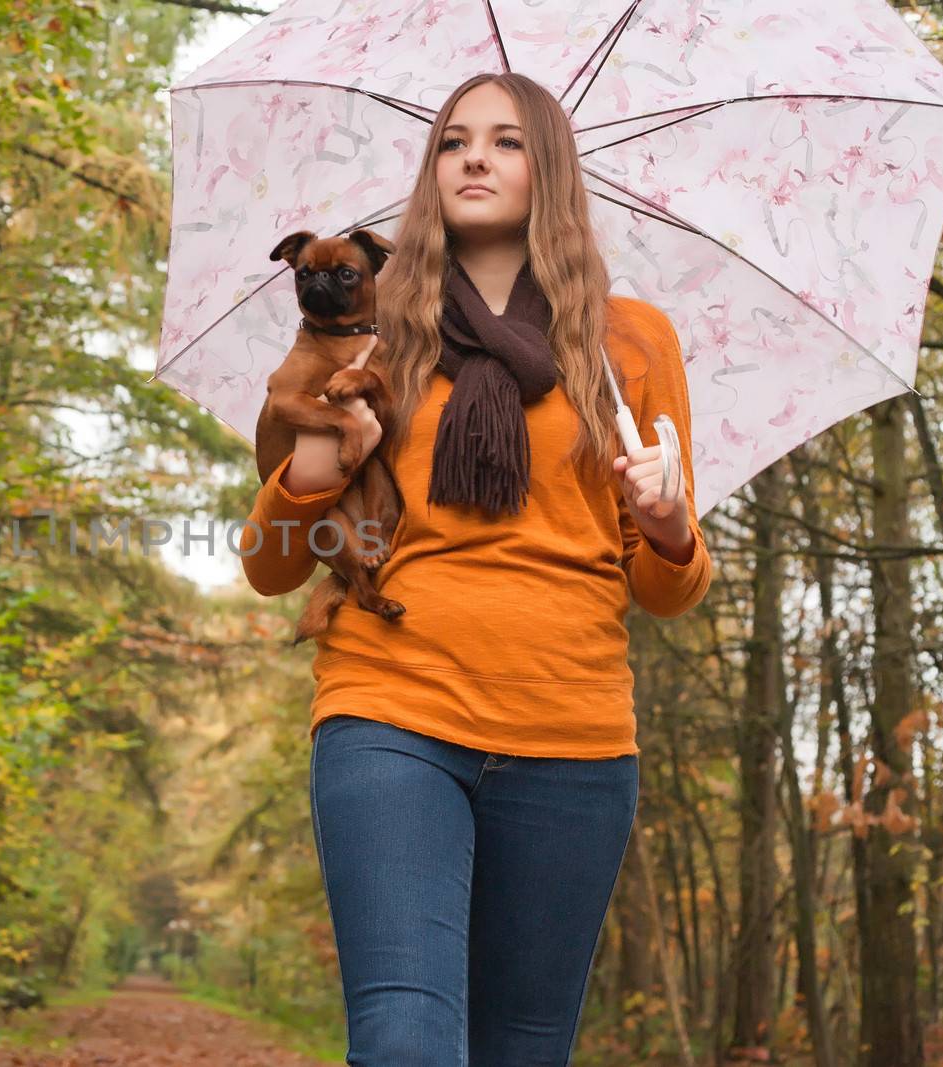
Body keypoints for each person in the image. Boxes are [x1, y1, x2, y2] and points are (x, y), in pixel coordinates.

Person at [239, 72, 713, 1066]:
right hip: (390, 709)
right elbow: (269, 565)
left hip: (573, 734)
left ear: (551, 170)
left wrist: (666, 522)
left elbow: (667, 588)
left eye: (505, 140)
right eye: (453, 140)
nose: (473, 157)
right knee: (407, 1037)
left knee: (521, 1048)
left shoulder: (628, 340)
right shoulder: (372, 337)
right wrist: (324, 457)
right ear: (429, 172)